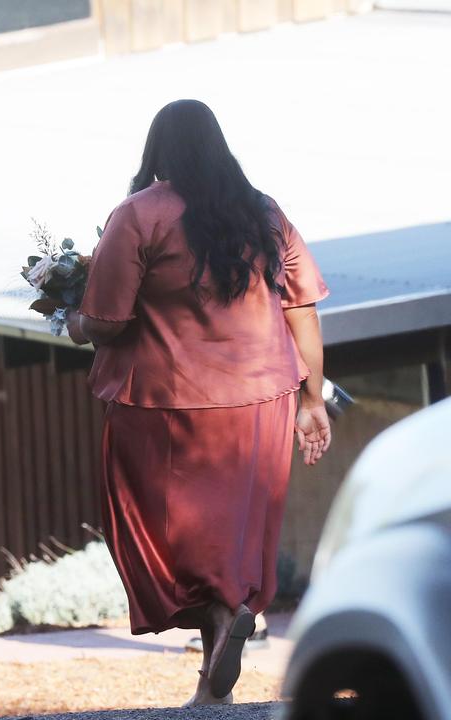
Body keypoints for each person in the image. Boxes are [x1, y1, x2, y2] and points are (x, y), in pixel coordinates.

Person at [68, 99, 332, 705]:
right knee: (235, 527)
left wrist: (75, 321)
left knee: (157, 527)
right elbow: (302, 310)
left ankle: (218, 615)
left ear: (157, 152)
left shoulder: (138, 215)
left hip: (166, 400)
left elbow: (106, 321)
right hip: (263, 397)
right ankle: (220, 648)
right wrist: (313, 400)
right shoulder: (264, 213)